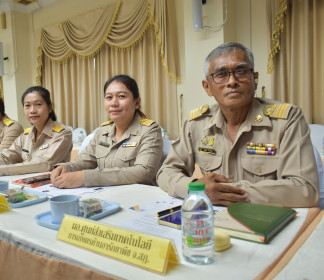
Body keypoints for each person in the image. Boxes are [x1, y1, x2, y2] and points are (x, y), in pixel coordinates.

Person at [157, 42, 319, 208]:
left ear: (254, 79)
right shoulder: (196, 124)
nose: (232, 81)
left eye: (240, 71)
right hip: (213, 219)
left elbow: (305, 190)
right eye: (221, 74)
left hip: (267, 218)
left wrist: (224, 192)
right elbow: (166, 172)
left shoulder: (287, 120)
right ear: (208, 87)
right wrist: (196, 188)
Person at [50, 74, 163, 189]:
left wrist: (85, 178)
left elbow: (144, 172)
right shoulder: (102, 132)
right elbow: (84, 161)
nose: (114, 103)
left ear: (137, 103)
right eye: (109, 97)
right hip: (106, 196)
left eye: (121, 96)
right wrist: (66, 167)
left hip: (139, 199)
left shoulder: (150, 130)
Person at [0, 86, 73, 177]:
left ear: (49, 107)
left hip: (53, 184)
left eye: (38, 105)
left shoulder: (62, 134)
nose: (32, 110)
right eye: (27, 105)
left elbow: (44, 164)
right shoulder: (26, 135)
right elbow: (8, 156)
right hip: (25, 182)